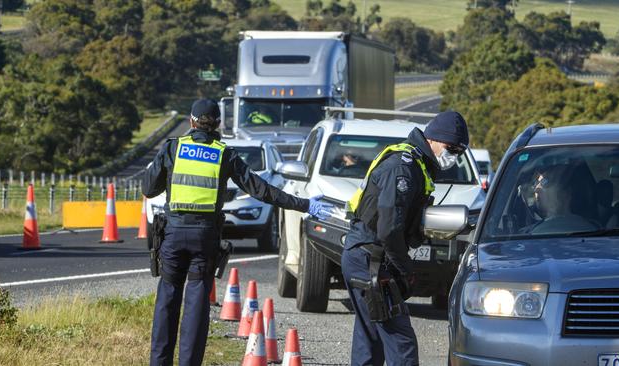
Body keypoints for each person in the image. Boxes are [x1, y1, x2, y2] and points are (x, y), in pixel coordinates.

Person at [143, 99, 333, 366]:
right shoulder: (225, 154)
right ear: (218, 124)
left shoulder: (173, 148)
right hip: (205, 238)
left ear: (191, 121)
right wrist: (305, 204)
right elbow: (263, 190)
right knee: (197, 305)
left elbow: (149, 188)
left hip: (173, 236)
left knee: (167, 301)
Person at [341, 111, 469, 366]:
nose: (453, 156)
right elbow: (388, 229)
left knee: (371, 339)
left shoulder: (416, 165)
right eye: (451, 148)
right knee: (402, 343)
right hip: (371, 260)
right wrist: (405, 268)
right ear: (433, 139)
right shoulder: (404, 167)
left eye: (459, 152)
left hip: (366, 256)